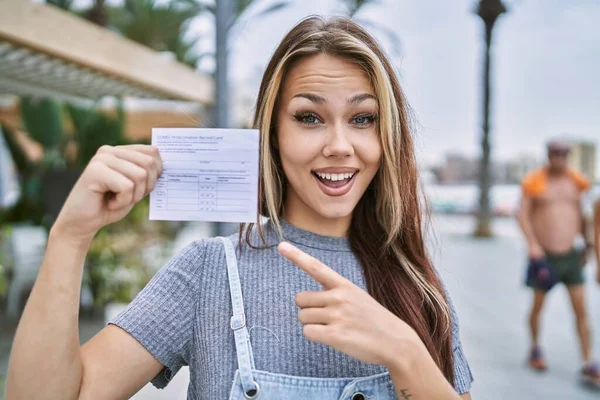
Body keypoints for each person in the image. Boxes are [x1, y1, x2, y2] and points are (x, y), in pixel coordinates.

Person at [6, 17, 473, 399]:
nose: (339, 145)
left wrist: (406, 353)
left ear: (386, 136)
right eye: (309, 117)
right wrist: (69, 237)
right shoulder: (206, 271)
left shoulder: (416, 282)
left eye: (362, 118)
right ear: (273, 134)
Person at [518, 140, 600, 384]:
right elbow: (522, 214)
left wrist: (588, 246)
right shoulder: (535, 182)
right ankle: (534, 348)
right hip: (544, 256)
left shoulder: (577, 182)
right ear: (548, 155)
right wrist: (532, 245)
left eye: (564, 153)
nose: (560, 157)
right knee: (537, 306)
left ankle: (587, 361)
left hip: (571, 256)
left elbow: (585, 216)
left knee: (581, 310)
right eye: (555, 153)